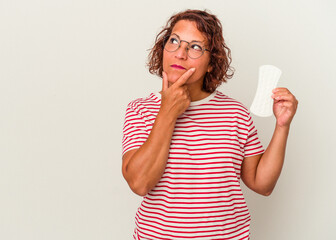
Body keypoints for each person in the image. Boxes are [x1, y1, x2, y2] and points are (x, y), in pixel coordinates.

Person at [121, 9, 298, 240]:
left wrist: (282, 126)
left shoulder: (235, 113)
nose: (180, 53)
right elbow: (139, 183)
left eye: (194, 46)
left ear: (212, 63)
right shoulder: (140, 110)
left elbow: (261, 184)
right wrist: (167, 112)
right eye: (174, 41)